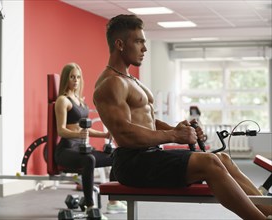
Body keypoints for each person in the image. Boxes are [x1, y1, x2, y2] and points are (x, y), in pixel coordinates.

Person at [93, 14, 272, 220]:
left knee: (222, 158)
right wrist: (173, 136)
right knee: (209, 163)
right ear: (120, 44)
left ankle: (268, 210)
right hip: (133, 164)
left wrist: (179, 129)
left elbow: (148, 123)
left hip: (149, 156)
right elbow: (125, 135)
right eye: (139, 41)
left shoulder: (130, 80)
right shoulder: (111, 83)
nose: (145, 48)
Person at [54, 63, 127, 217]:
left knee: (116, 156)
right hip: (66, 150)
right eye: (72, 77)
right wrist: (77, 135)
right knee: (89, 159)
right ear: (66, 79)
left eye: (78, 77)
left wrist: (105, 135)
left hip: (82, 148)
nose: (75, 80)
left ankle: (113, 202)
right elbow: (61, 130)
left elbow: (85, 130)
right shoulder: (63, 100)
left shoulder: (80, 101)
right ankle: (90, 206)